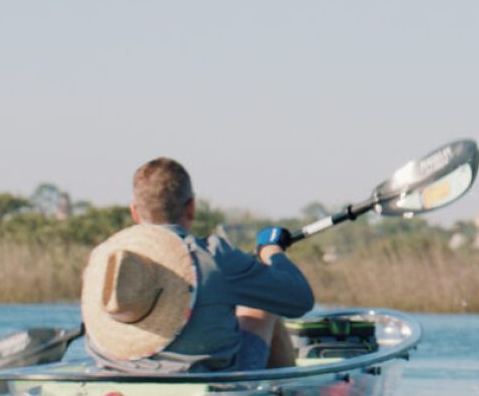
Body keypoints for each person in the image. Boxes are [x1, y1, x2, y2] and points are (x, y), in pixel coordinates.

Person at [81, 157, 313, 373]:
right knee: (262, 305)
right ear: (191, 207)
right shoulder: (215, 256)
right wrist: (272, 250)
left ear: (134, 211)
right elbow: (300, 299)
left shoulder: (106, 264)